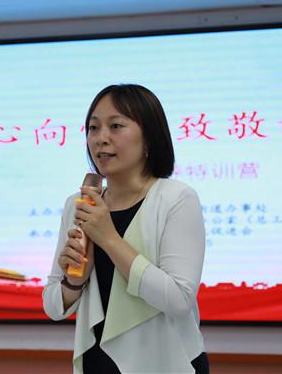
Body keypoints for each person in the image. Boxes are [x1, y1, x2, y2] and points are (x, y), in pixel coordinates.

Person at [43, 84, 209, 374]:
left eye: (116, 126)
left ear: (149, 139)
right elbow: (54, 306)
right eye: (93, 128)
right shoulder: (79, 204)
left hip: (166, 363)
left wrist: (108, 238)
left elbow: (178, 300)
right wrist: (74, 283)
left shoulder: (176, 198)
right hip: (97, 362)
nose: (100, 138)